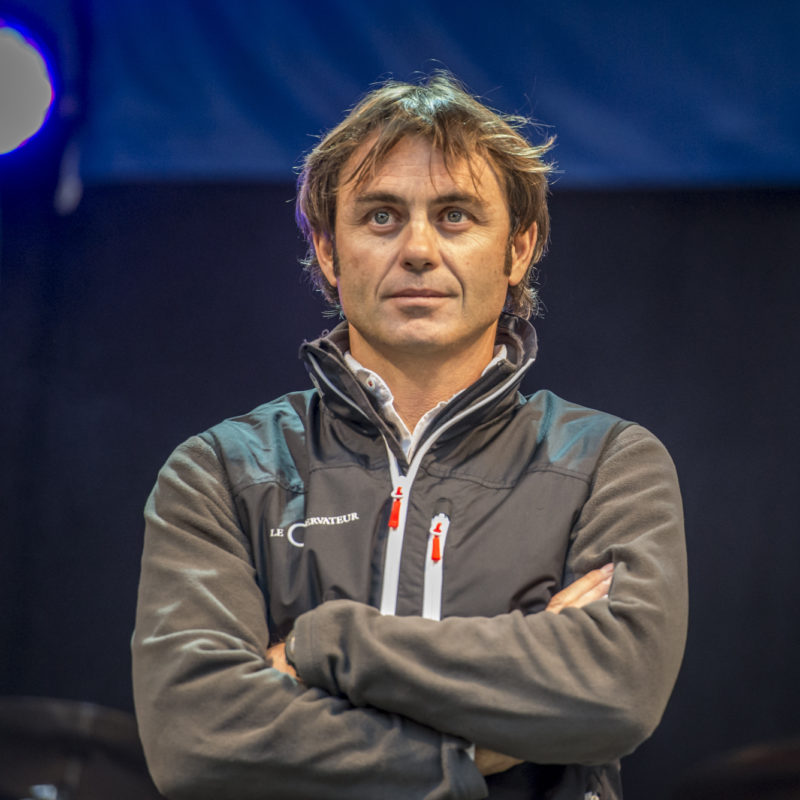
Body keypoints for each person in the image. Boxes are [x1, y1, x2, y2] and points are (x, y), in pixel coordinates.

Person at [132, 73, 688, 799]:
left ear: (518, 250)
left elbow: (614, 695)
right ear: (328, 251)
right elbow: (196, 741)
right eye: (381, 217)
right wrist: (474, 755)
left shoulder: (609, 462)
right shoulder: (219, 472)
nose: (419, 249)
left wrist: (324, 644)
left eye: (455, 215)